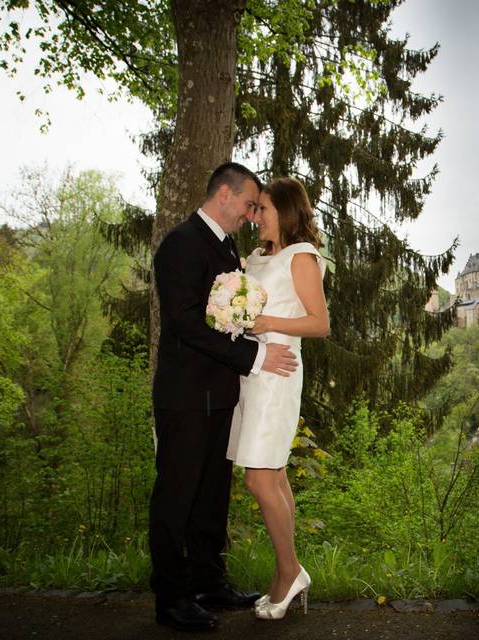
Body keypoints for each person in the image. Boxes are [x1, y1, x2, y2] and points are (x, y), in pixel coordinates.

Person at [149, 162, 299, 632]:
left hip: (221, 397)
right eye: (249, 204)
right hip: (186, 396)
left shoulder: (226, 249)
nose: (251, 214)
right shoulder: (180, 244)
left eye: (259, 207)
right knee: (176, 497)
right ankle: (171, 598)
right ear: (226, 196)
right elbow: (185, 323)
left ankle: (209, 581)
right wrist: (255, 359)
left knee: (212, 496)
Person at [227, 177, 329, 620]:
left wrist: (261, 318)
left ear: (284, 212)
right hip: (253, 371)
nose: (254, 217)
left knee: (259, 478)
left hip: (279, 373)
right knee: (275, 474)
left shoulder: (301, 257)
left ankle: (289, 572)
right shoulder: (257, 256)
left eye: (262, 209)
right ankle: (289, 573)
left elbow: (319, 323)